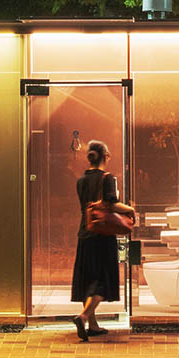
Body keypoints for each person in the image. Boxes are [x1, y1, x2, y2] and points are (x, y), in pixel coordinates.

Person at [71, 140, 132, 341]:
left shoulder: (81, 181)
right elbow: (112, 205)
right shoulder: (108, 178)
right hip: (102, 236)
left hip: (84, 235)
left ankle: (93, 325)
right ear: (105, 156)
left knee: (88, 279)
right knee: (102, 281)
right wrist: (130, 209)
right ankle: (84, 316)